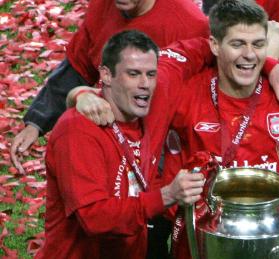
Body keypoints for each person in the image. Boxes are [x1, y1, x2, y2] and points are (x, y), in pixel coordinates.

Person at [160, 1, 279, 258]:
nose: (249, 55)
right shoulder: (186, 96)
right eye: (237, 44)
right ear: (215, 45)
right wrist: (78, 95)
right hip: (204, 242)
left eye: (258, 45)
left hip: (271, 242)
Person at [36, 30, 207, 259]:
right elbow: (94, 218)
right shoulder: (78, 131)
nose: (145, 84)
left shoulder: (155, 97)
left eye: (151, 74)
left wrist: (270, 67)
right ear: (106, 75)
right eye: (133, 74)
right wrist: (167, 195)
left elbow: (208, 46)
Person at [10, 0, 209, 174]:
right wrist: (36, 124)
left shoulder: (189, 25)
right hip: (108, 130)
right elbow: (79, 67)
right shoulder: (102, 6)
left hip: (164, 145)